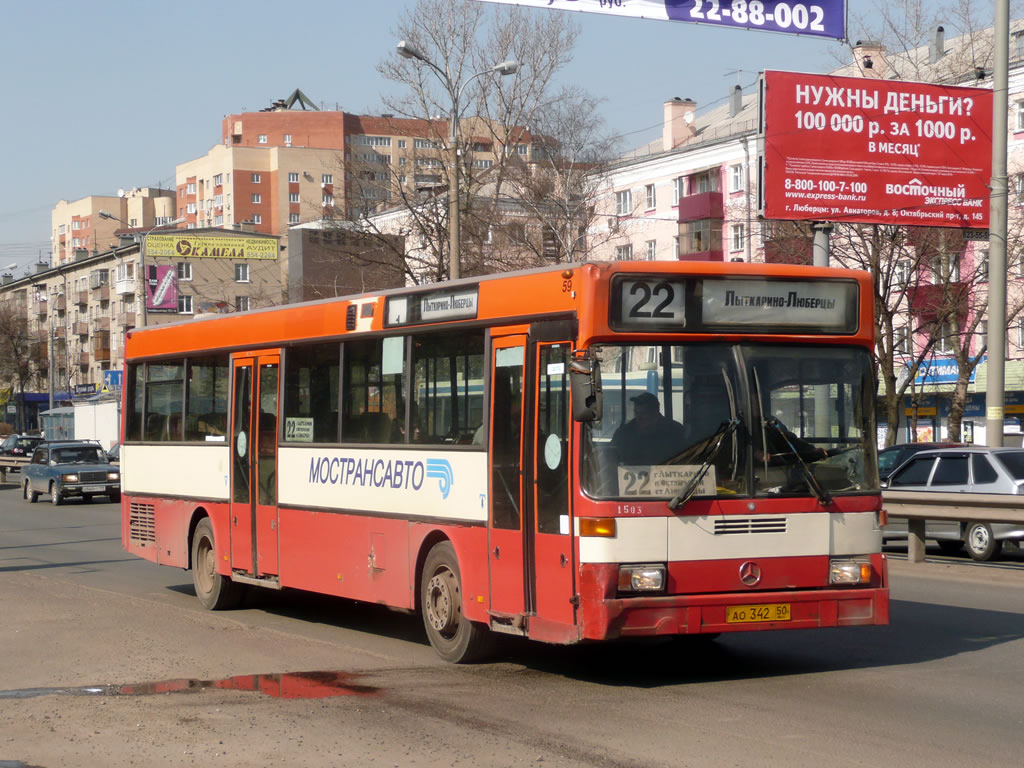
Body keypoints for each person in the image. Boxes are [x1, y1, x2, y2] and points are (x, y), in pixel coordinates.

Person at [612, 392, 688, 466]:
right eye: (636, 413)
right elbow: (610, 456)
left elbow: (686, 460)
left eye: (643, 413)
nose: (638, 417)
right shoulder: (624, 432)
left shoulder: (675, 432)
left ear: (655, 413)